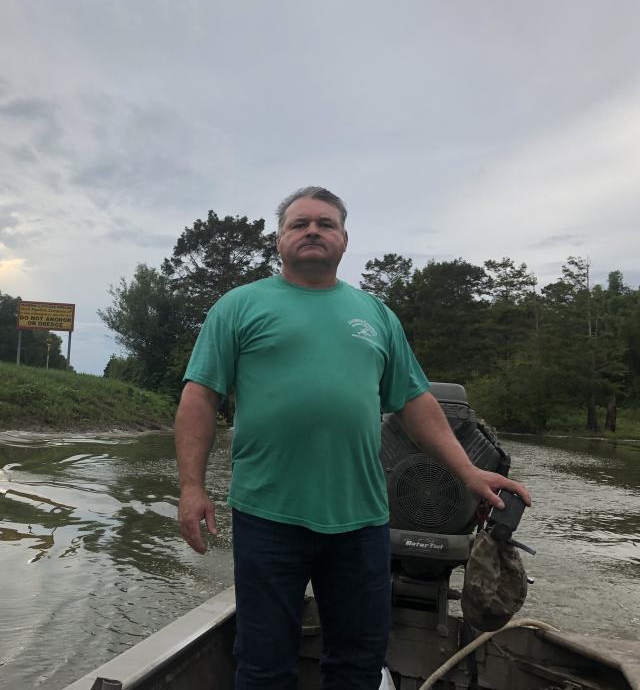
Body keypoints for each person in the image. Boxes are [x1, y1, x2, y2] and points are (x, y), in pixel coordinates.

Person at [175, 186, 532, 690]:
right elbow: (199, 399)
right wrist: (192, 487)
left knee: (358, 664)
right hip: (266, 514)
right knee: (262, 662)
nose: (313, 230)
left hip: (361, 520)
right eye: (299, 224)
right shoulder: (238, 306)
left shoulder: (377, 315)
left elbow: (416, 404)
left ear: (344, 240)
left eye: (326, 223)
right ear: (279, 240)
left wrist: (469, 472)